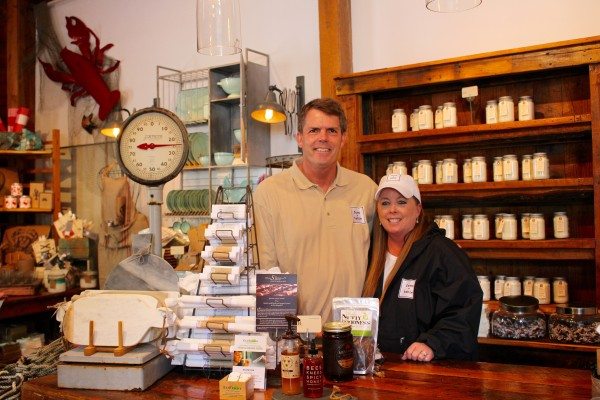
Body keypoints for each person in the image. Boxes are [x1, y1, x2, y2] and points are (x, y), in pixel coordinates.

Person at [253, 98, 377, 322]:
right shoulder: (268, 193)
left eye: (332, 130)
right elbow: (267, 271)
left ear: (343, 138)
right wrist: (283, 334)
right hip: (297, 333)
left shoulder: (365, 189)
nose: (323, 138)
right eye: (314, 130)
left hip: (354, 330)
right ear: (299, 138)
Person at [363, 173, 482, 362]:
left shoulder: (442, 253)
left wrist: (432, 343)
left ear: (418, 209)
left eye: (401, 202)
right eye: (385, 203)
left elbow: (464, 310)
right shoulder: (369, 254)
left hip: (426, 371)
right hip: (380, 368)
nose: (392, 210)